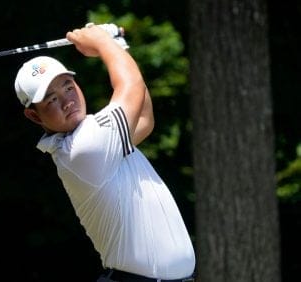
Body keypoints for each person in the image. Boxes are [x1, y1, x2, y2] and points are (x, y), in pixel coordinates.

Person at [13, 23, 196, 282]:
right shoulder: (83, 148)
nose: (67, 101)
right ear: (34, 115)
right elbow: (131, 85)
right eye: (52, 99)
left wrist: (117, 43)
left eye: (68, 86)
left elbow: (144, 117)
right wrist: (102, 43)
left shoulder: (98, 138)